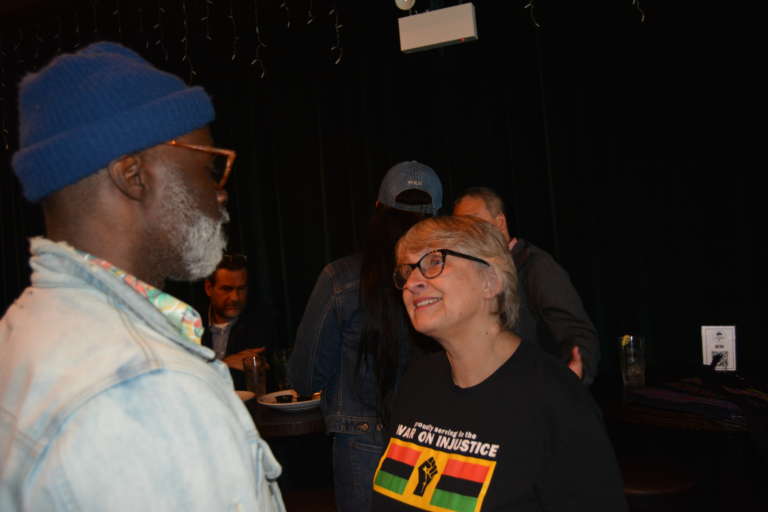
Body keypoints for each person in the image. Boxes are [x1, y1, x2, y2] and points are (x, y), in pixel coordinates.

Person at [0, 42, 285, 511]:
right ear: (133, 175)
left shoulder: (26, 332)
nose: (220, 193)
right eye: (209, 166)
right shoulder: (148, 388)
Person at [372, 216, 626, 511]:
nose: (412, 284)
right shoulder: (418, 382)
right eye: (407, 271)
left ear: (490, 281)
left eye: (433, 262)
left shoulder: (555, 397)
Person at [289, 161, 443, 512]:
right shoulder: (449, 280)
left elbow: (305, 376)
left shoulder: (340, 279)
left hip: (361, 439)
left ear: (377, 210)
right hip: (434, 434)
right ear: (437, 218)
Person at [453, 186, 600, 385]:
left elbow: (578, 333)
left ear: (500, 222)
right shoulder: (475, 275)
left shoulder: (536, 265)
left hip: (540, 395)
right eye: (460, 227)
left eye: (474, 222)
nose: (467, 233)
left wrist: (574, 376)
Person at [202, 253, 279, 390]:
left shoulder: (260, 324)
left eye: (241, 289)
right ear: (209, 288)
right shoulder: (189, 324)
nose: (235, 298)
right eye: (227, 289)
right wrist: (224, 363)